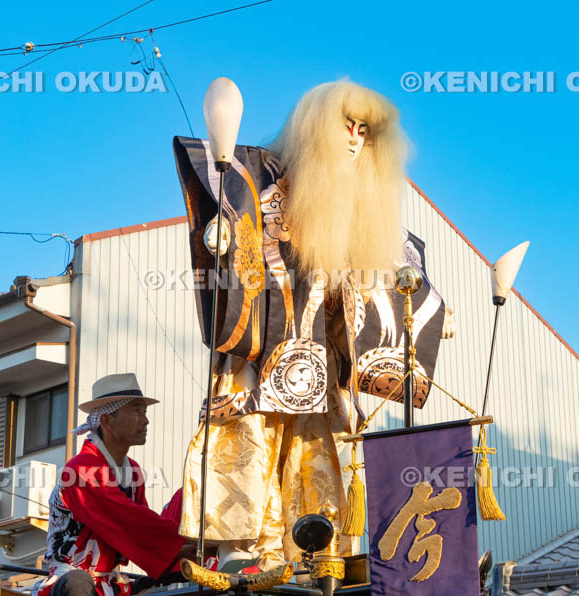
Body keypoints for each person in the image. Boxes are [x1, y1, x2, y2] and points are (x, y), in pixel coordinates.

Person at [171, 79, 453, 569]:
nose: (355, 139)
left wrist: (431, 311)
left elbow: (397, 280)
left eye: (365, 131)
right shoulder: (265, 182)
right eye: (347, 125)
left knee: (318, 457)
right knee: (252, 438)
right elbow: (237, 222)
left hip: (323, 363)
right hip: (261, 352)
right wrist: (222, 235)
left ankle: (311, 555)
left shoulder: (365, 216)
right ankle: (245, 550)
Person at [31, 373, 193, 596]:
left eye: (145, 412)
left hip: (109, 583)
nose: (146, 421)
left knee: (174, 585)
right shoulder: (80, 469)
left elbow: (141, 534)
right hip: (68, 580)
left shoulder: (133, 472)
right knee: (78, 583)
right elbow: (128, 521)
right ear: (107, 421)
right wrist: (184, 542)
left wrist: (186, 549)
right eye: (136, 411)